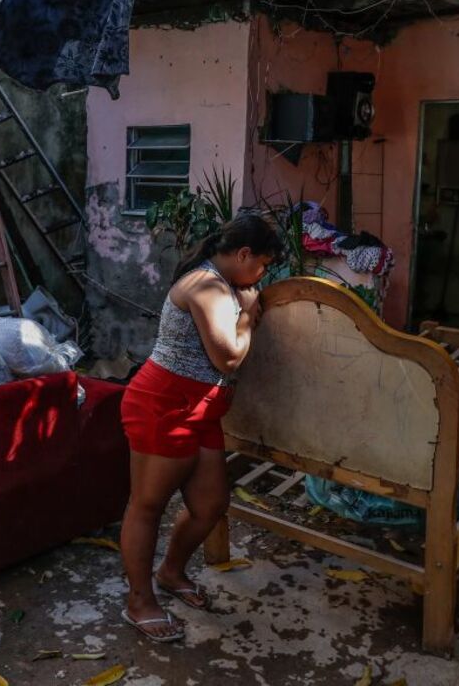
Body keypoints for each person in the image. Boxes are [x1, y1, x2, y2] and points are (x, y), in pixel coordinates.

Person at [119, 212, 284, 642]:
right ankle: (139, 602)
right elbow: (227, 358)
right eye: (262, 264)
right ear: (243, 253)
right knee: (148, 505)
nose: (261, 275)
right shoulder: (207, 286)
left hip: (203, 408)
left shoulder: (228, 283)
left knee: (211, 504)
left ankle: (171, 571)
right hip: (164, 405)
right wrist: (248, 316)